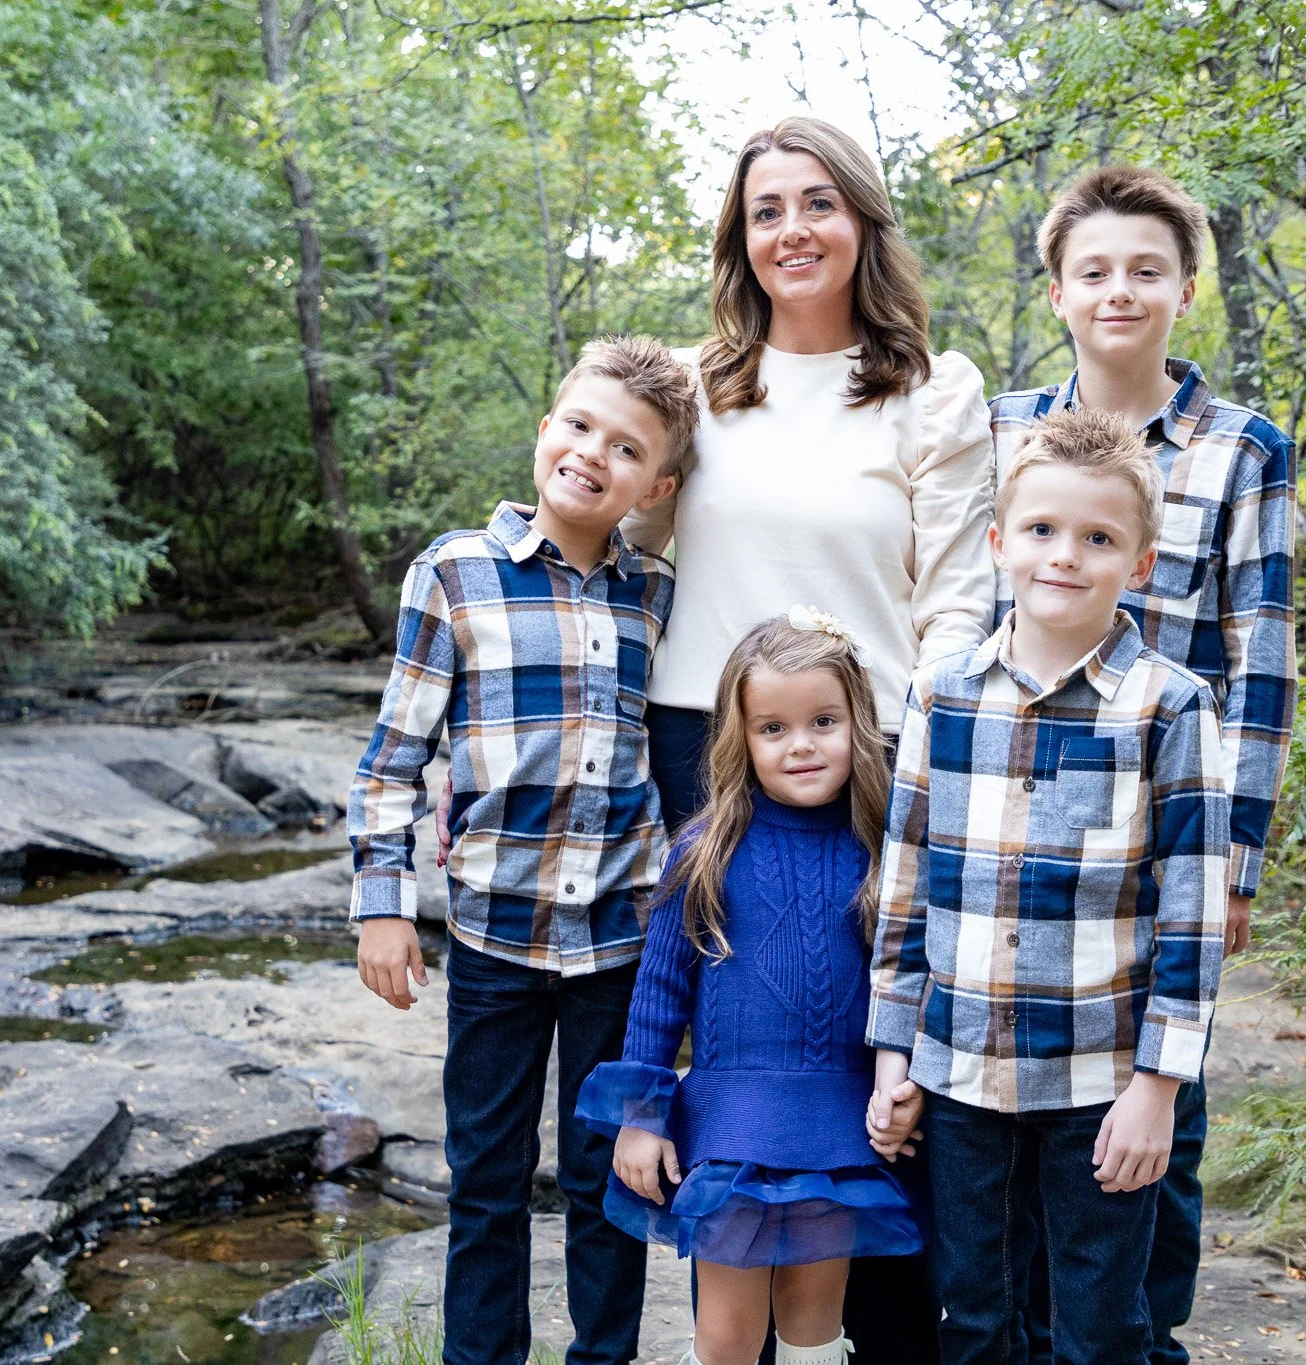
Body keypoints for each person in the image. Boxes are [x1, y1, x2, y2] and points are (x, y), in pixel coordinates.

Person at [626, 114, 996, 1364]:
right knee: (730, 1063)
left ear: (862, 222)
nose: (792, 228)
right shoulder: (692, 386)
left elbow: (956, 598)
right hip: (703, 744)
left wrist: (924, 763)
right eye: (766, 207)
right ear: (739, 233)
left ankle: (883, 1342)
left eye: (817, 202)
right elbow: (615, 523)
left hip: (872, 756)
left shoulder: (930, 390)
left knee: (872, 1064)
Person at [990, 164, 1298, 1365]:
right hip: (1009, 821)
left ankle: (1141, 1338)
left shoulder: (1240, 449)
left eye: (1144, 270)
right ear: (1058, 289)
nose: (1118, 291)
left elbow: (1257, 660)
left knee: (1156, 1088)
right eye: (1094, 271)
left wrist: (1233, 864)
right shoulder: (1011, 429)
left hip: (1163, 827)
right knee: (1012, 1101)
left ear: (1184, 287)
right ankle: (1021, 1330)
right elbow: (980, 617)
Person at [346, 335, 701, 1365]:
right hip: (495, 940)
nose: (594, 454)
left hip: (618, 950)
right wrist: (381, 901)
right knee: (488, 1182)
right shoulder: (455, 573)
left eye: (627, 448)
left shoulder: (656, 595)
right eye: (580, 426)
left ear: (657, 484)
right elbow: (391, 758)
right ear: (544, 431)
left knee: (608, 1179)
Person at [867, 406, 1234, 1364]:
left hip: (1101, 1081)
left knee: (1101, 1325)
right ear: (997, 542)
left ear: (1141, 562)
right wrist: (893, 1056)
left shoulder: (1171, 705)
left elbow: (1192, 913)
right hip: (960, 1071)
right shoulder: (940, 691)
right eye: (1040, 530)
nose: (1063, 556)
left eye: (1098, 537)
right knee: (976, 1315)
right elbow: (906, 884)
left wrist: (1159, 1086)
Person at [576, 611, 924, 1365]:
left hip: (838, 1120)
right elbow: (659, 994)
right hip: (733, 1123)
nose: (800, 744)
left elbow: (912, 973)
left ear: (859, 721)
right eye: (773, 728)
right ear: (741, 738)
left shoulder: (883, 848)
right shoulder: (705, 849)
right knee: (728, 1335)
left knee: (814, 1323)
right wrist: (642, 1117)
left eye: (822, 720)